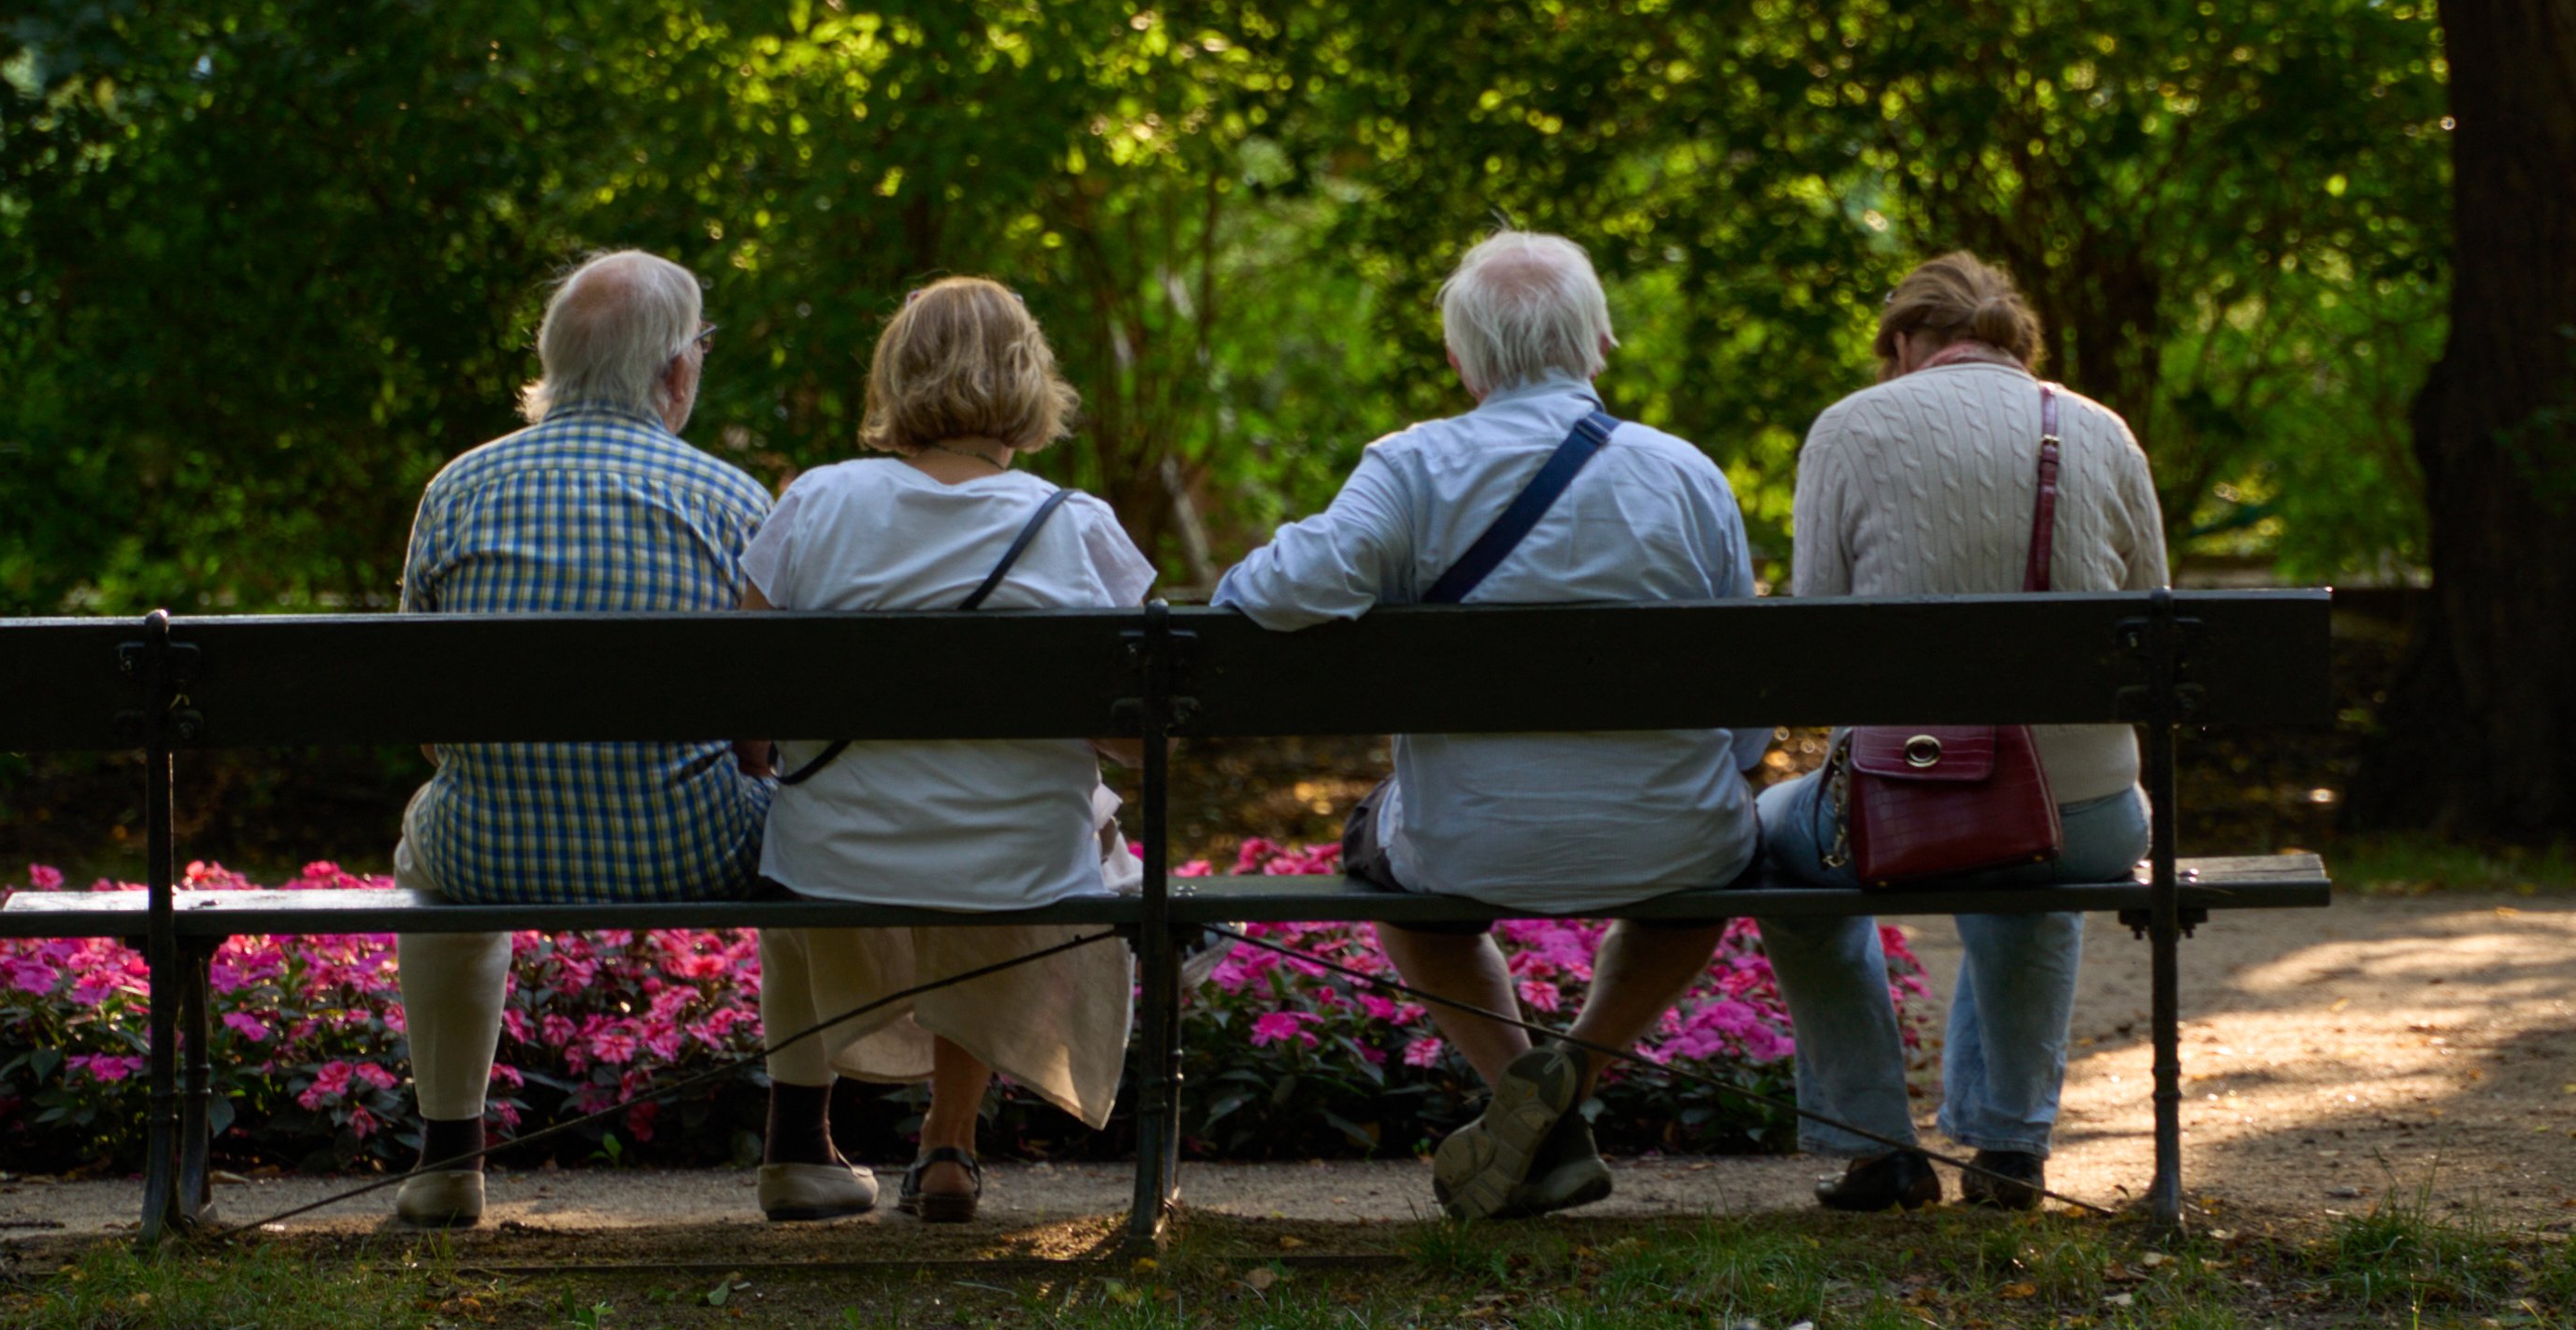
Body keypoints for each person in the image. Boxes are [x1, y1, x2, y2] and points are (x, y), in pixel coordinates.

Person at [1213, 229, 1767, 1222]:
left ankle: (1531, 1101)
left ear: (1462, 360)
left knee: (1385, 868)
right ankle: (1570, 1082)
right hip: (1673, 839)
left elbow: (1284, 587)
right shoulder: (1684, 473)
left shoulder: (1414, 465)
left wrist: (1236, 578)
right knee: (1698, 888)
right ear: (1599, 342)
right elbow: (1743, 702)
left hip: (1464, 843)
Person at [735, 278, 1155, 1227]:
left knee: (888, 825)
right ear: (1027, 381)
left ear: (897, 377)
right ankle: (950, 1141)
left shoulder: (815, 504)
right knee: (1038, 831)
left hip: (835, 866)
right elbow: (1137, 736)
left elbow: (750, 726)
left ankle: (812, 1137)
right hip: (1021, 865)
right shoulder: (1076, 525)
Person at [1754, 252, 2166, 1214]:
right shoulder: (2102, 431)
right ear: (2015, 346)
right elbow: (2156, 615)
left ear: (1903, 346)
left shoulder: (1851, 426)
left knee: (1773, 847)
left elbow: (1813, 635)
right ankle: (2009, 1148)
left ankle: (1878, 1146)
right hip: (2097, 819)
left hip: (1902, 804)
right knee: (2033, 840)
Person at [387, 250, 775, 1229]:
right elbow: (763, 739)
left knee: (425, 848)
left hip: (483, 852)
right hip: (694, 849)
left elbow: (426, 716)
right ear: (677, 372)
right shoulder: (732, 501)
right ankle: (804, 1151)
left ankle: (446, 1164)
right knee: (804, 834)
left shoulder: (458, 490)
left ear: (553, 362)